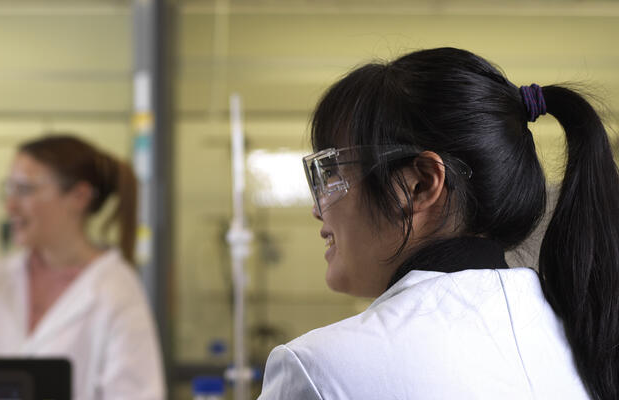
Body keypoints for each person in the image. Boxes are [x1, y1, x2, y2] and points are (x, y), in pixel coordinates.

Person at [259, 47, 612, 399]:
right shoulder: (580, 342)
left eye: (333, 173)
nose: (317, 209)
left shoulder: (320, 370)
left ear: (420, 185)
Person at [0, 134, 166, 400]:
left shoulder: (116, 292)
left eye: (25, 190)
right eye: (9, 189)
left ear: (79, 197)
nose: (10, 206)